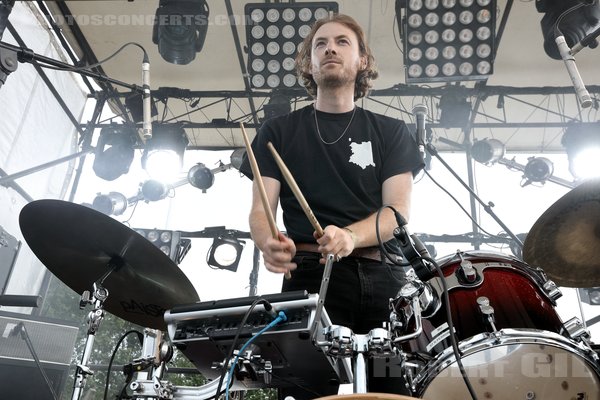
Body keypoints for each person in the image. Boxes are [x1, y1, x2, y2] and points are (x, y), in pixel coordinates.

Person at [240, 13, 424, 398]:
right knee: (307, 390)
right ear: (309, 63)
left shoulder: (390, 131)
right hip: (307, 279)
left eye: (342, 42)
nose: (330, 49)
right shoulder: (278, 131)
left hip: (384, 280)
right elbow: (261, 210)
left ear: (362, 62)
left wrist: (350, 237)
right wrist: (267, 241)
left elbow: (397, 213)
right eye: (320, 44)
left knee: (392, 386)